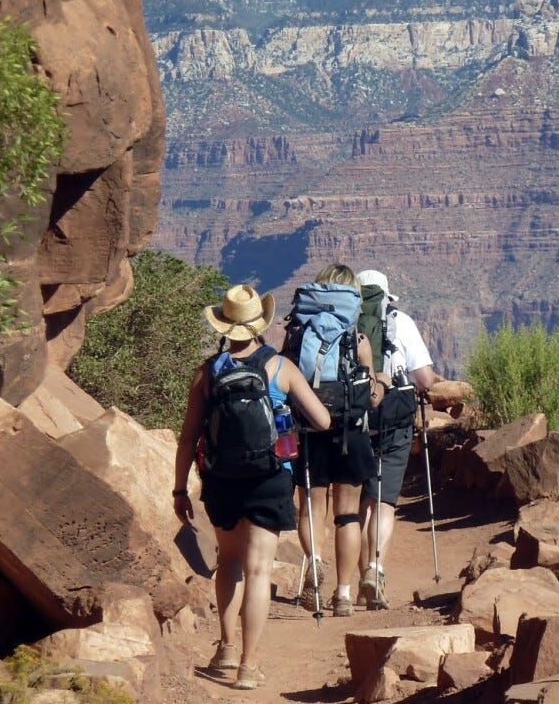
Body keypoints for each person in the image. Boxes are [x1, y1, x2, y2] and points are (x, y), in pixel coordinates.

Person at [173, 284, 331, 690]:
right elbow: (324, 420)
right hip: (269, 478)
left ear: (224, 325)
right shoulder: (280, 367)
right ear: (259, 324)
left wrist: (179, 490)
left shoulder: (207, 372)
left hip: (222, 480)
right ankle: (248, 665)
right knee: (259, 569)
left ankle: (226, 647)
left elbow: (188, 436)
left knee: (228, 562)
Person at [293, 263, 384, 617]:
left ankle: (314, 559)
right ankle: (343, 594)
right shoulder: (358, 340)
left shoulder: (299, 335)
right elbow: (372, 396)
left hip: (309, 430)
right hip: (350, 432)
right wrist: (378, 386)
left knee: (311, 508)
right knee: (347, 515)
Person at [355, 269, 445, 610]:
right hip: (394, 415)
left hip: (354, 416)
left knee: (362, 500)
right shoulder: (400, 320)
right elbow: (423, 378)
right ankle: (375, 570)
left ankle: (352, 582)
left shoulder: (347, 321)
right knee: (383, 501)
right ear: (386, 294)